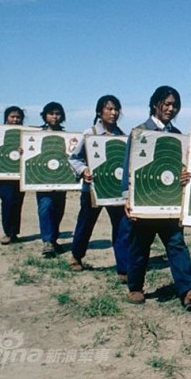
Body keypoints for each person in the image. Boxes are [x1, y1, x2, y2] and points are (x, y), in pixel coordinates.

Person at [122, 85, 191, 310]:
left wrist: (185, 176)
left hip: (170, 202)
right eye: (167, 103)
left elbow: (184, 167)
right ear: (155, 104)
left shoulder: (177, 136)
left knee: (176, 243)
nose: (171, 109)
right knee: (140, 245)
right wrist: (127, 198)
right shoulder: (140, 132)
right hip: (144, 200)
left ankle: (189, 290)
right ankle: (135, 287)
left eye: (175, 105)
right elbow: (127, 168)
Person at [68, 95, 129, 278]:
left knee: (121, 228)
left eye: (116, 109)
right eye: (109, 109)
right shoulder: (90, 134)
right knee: (86, 225)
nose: (114, 113)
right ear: (99, 112)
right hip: (92, 191)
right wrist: (84, 171)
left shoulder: (122, 136)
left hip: (115, 192)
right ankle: (76, 256)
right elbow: (74, 158)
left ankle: (123, 268)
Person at [37, 101, 68, 257]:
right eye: (51, 113)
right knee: (46, 206)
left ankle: (53, 239)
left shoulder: (66, 136)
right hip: (42, 179)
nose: (54, 116)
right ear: (45, 116)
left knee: (58, 210)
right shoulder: (35, 135)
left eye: (57, 113)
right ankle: (47, 242)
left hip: (61, 179)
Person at [0, 106, 26, 245]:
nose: (15, 119)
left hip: (20, 175)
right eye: (12, 117)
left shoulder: (26, 134)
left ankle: (13, 232)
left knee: (17, 202)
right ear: (6, 118)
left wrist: (24, 150)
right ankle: (8, 232)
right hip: (3, 173)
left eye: (18, 117)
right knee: (7, 200)